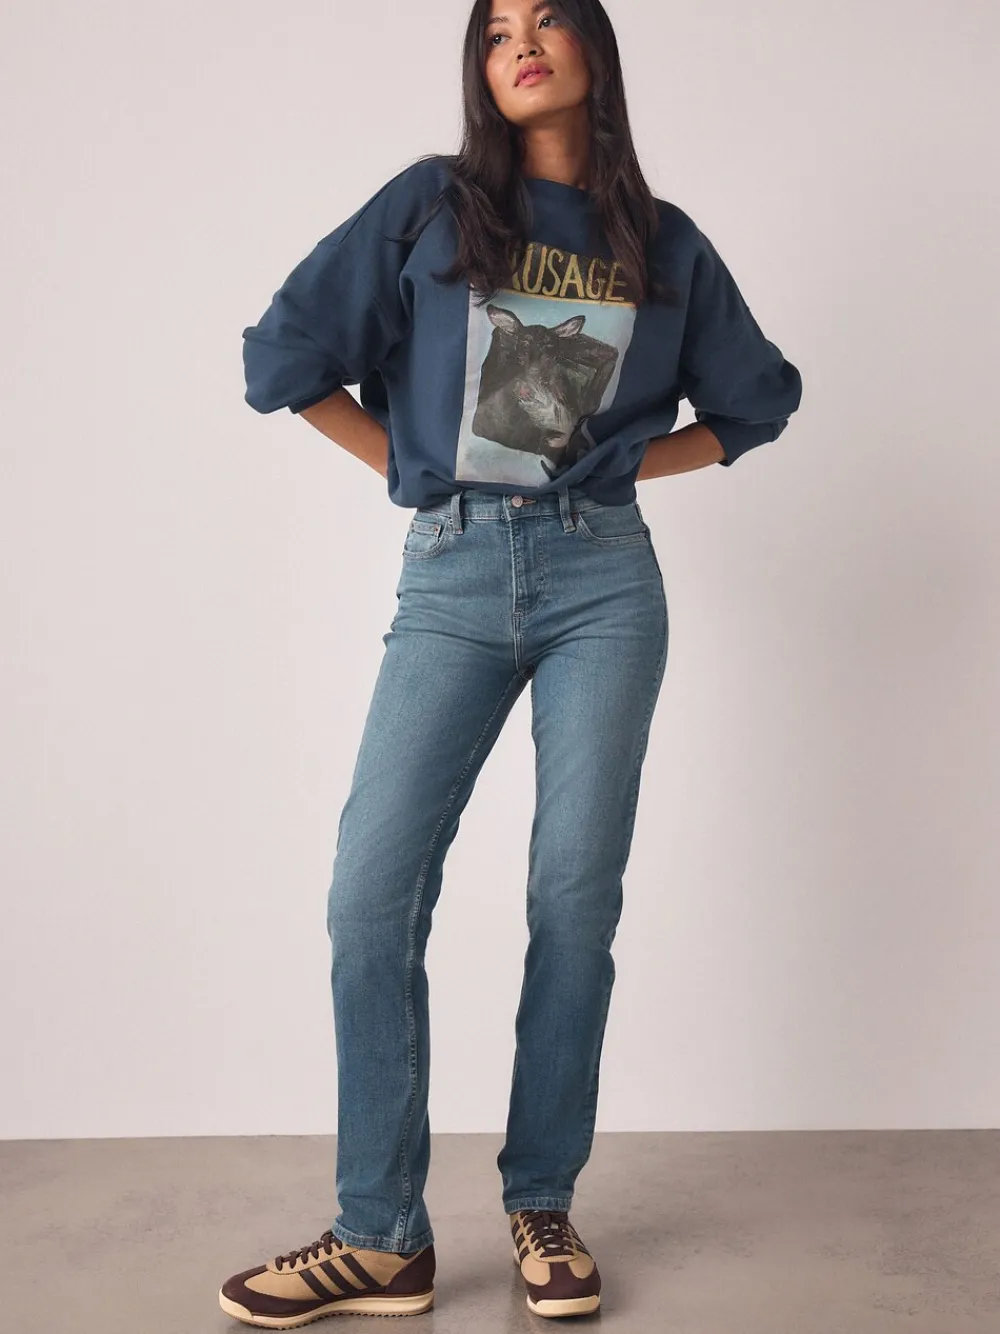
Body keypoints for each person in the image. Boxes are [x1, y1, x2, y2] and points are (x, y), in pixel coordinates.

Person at [219, 0, 803, 1324]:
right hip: (455, 571)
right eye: (494, 32)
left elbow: (754, 403)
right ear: (481, 70)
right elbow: (284, 358)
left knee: (573, 897)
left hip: (606, 582)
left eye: (545, 20)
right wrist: (419, 477)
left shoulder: (664, 241)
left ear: (595, 46)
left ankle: (543, 1196)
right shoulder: (432, 207)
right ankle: (380, 1233)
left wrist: (621, 468)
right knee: (371, 893)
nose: (520, 44)